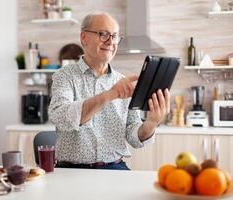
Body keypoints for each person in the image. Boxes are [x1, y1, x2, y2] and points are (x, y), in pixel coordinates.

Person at [48, 12, 170, 170]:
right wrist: (110, 94)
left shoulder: (122, 82)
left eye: (115, 36)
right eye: (103, 34)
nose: (111, 41)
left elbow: (133, 135)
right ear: (84, 37)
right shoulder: (64, 76)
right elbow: (60, 116)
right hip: (72, 169)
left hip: (115, 167)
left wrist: (151, 123)